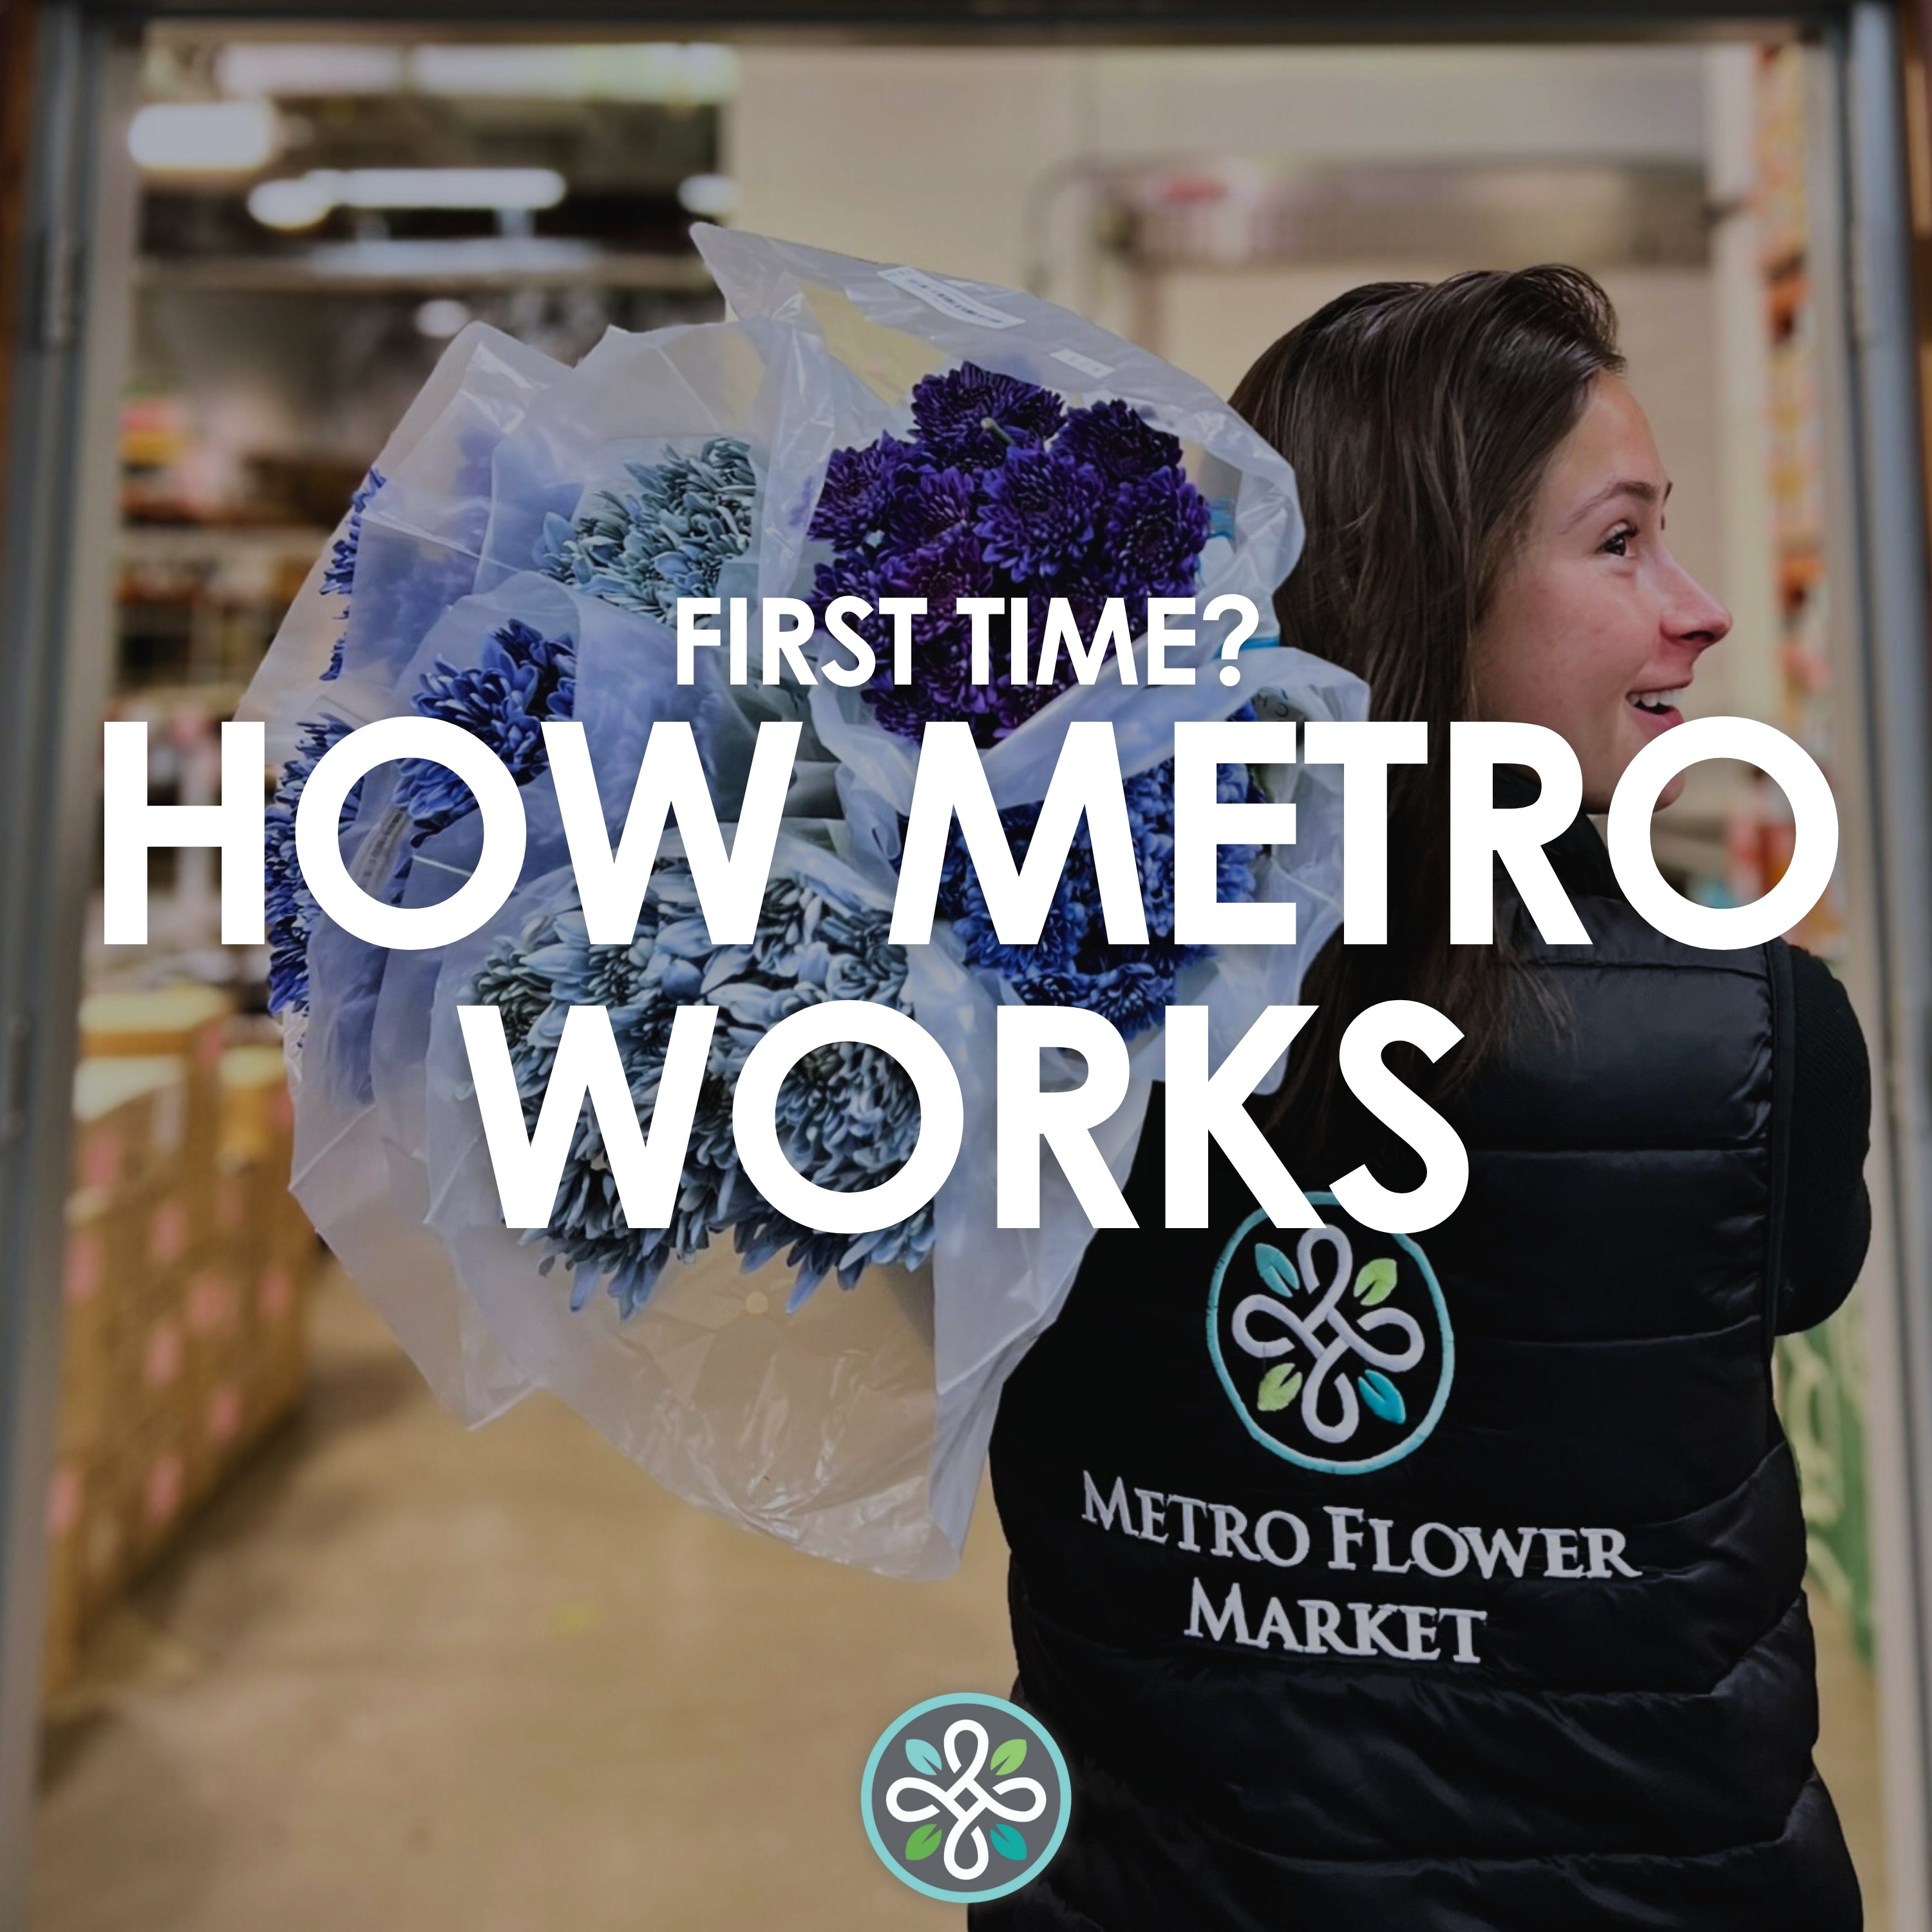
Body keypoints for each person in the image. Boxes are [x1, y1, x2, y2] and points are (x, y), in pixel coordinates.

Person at [976, 268, 1872, 1931]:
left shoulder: (1018, 990)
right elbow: (1794, 1279)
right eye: (1619, 544)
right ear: (1423, 587)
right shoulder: (1758, 1026)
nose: (1699, 605)